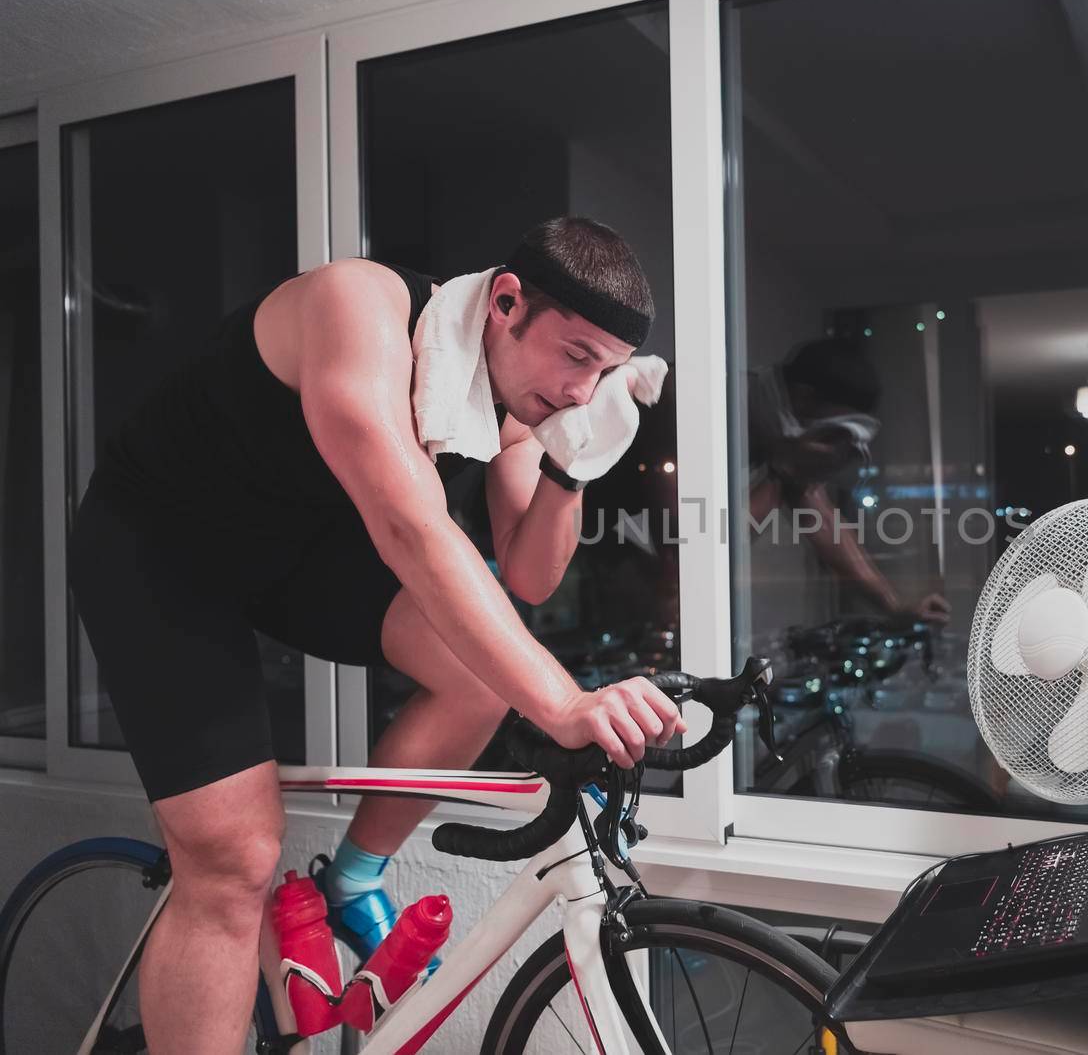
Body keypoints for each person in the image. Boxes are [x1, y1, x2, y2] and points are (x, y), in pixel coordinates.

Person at [67, 217, 685, 1053]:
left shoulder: (511, 406)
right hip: (163, 544)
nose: (584, 390)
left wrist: (572, 469)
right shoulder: (358, 307)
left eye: (605, 372)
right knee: (234, 862)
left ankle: (351, 881)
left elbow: (531, 574)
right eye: (576, 355)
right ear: (505, 302)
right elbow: (411, 528)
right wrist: (566, 702)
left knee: (479, 675)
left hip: (296, 551)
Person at [747, 337, 950, 625]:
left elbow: (825, 523)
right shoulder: (702, 404)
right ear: (803, 397)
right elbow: (692, 546)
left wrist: (894, 606)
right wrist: (785, 470)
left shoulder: (777, 430)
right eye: (832, 434)